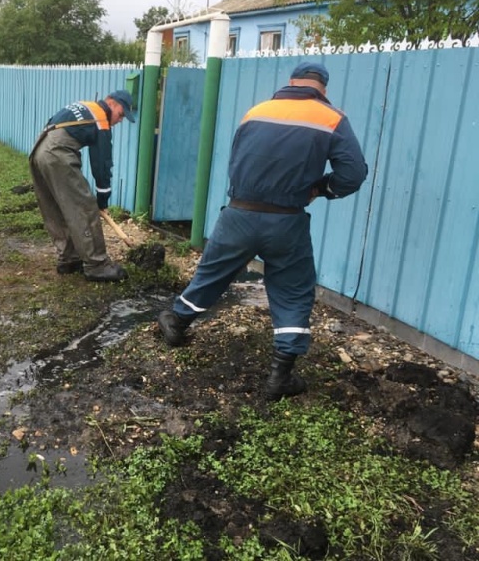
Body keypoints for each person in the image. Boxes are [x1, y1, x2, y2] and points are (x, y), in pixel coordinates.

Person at [157, 61, 368, 400]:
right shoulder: (331, 118)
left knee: (212, 274)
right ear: (322, 88)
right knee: (293, 289)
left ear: (291, 82)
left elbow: (239, 159)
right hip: (286, 220)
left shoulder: (255, 111)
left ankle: (176, 322)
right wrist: (323, 187)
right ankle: (279, 377)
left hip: (239, 213)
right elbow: (353, 174)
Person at [29, 90, 136, 282]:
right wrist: (102, 198)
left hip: (40, 149)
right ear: (111, 103)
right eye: (121, 114)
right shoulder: (101, 120)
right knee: (84, 207)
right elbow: (102, 164)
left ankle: (69, 259)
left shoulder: (85, 106)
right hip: (57, 153)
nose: (120, 120)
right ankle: (97, 265)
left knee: (56, 208)